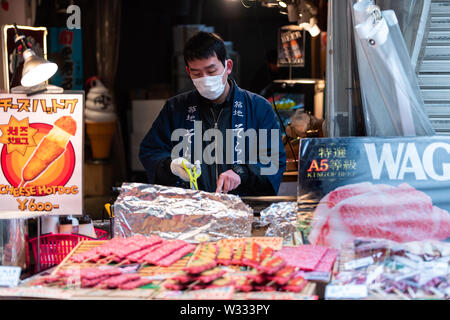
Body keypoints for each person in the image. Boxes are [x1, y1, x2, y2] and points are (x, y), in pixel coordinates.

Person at [139, 32, 286, 196]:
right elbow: (150, 151)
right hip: (191, 211)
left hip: (242, 209)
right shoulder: (175, 108)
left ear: (228, 66)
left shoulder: (259, 107)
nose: (205, 79)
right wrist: (170, 166)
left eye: (211, 71)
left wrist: (240, 172)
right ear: (188, 71)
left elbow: (274, 160)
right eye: (197, 73)